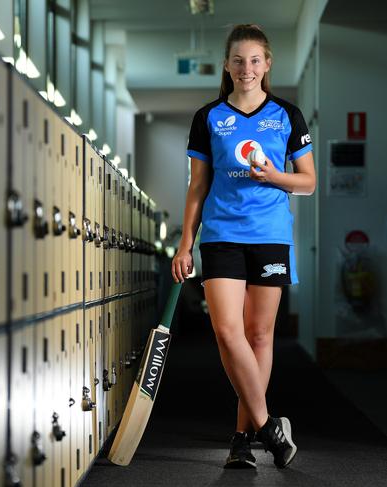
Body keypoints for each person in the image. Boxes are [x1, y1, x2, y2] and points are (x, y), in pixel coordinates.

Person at [171, 24, 316, 469]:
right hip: (221, 236)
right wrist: (184, 243)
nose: (247, 69)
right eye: (238, 60)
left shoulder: (287, 115)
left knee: (258, 335)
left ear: (267, 64)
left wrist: (274, 176)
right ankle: (271, 425)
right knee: (226, 332)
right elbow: (197, 186)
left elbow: (308, 182)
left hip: (270, 235)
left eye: (255, 60)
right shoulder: (209, 117)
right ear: (227, 66)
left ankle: (242, 437)